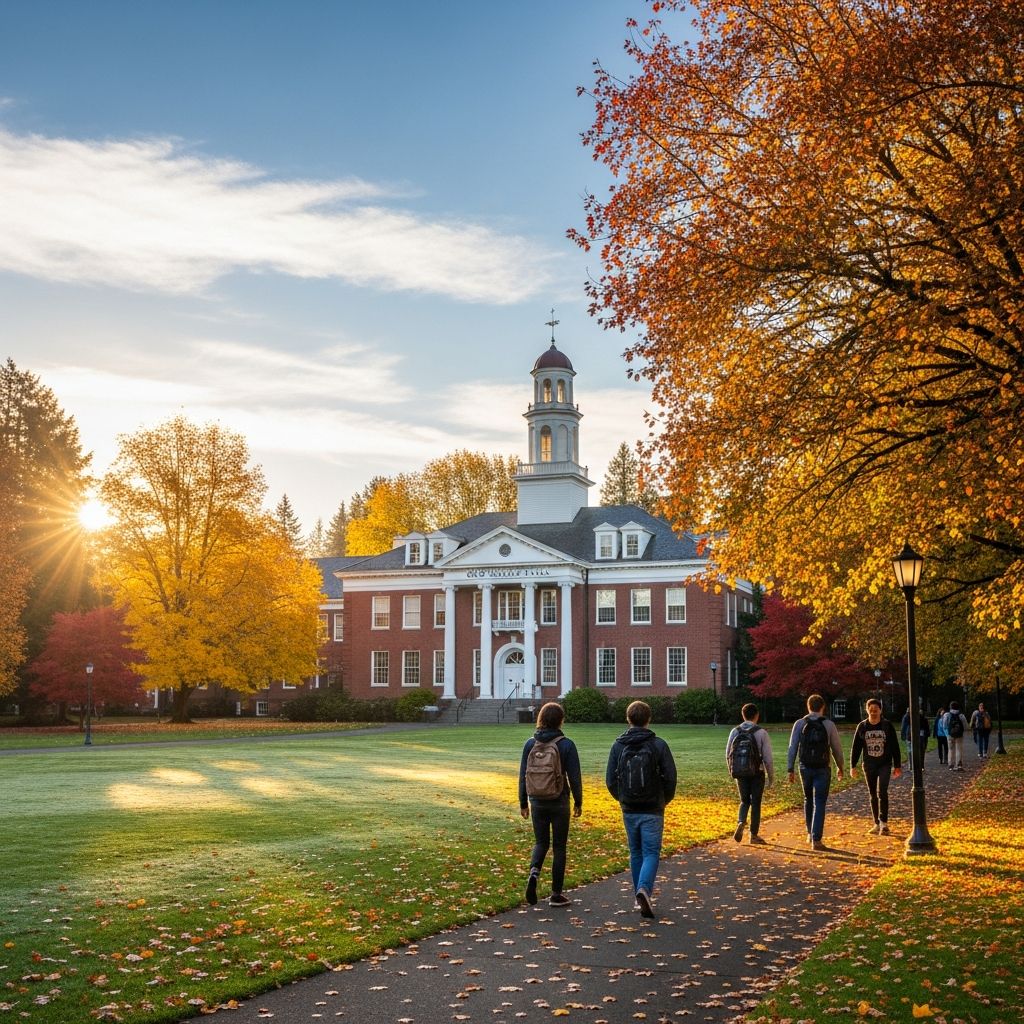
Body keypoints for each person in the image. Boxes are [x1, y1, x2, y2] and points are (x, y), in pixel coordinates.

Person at [606, 700, 677, 918]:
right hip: (653, 807)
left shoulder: (618, 746)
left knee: (636, 851)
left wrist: (623, 798)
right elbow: (671, 778)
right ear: (649, 719)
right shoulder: (658, 745)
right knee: (651, 852)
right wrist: (663, 800)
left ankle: (639, 895)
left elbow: (610, 780)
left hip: (629, 807)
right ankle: (644, 889)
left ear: (628, 719)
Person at [518, 702, 582, 908]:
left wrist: (523, 802)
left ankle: (534, 873)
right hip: (560, 800)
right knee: (559, 847)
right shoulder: (566, 744)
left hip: (537, 800)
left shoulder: (530, 744)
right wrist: (579, 802)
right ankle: (556, 894)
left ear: (541, 719)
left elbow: (523, 776)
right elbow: (574, 777)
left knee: (541, 843)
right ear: (560, 720)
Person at [787, 694, 844, 851]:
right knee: (820, 802)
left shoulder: (799, 724)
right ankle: (816, 839)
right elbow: (836, 749)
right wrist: (840, 766)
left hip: (804, 767)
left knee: (808, 799)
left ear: (808, 706)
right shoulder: (829, 724)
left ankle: (809, 833)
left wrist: (790, 769)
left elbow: (792, 747)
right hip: (823, 767)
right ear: (823, 707)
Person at [850, 698, 902, 834]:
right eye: (871, 710)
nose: (873, 713)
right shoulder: (862, 726)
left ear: (880, 710)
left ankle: (884, 823)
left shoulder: (887, 725)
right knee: (872, 794)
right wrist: (853, 766)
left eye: (876, 710)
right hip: (869, 764)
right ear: (867, 710)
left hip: (884, 763)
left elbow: (895, 746)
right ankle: (876, 823)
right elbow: (856, 747)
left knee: (882, 792)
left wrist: (897, 765)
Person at [725, 703, 774, 845]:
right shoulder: (761, 732)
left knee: (744, 801)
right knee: (756, 803)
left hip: (740, 772)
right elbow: (768, 758)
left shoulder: (735, 731)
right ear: (756, 715)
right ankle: (753, 835)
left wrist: (732, 771)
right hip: (757, 773)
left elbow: (728, 754)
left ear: (743, 715)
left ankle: (741, 821)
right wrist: (770, 778)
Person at [943, 701, 969, 771]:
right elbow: (966, 726)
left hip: (950, 735)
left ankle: (951, 765)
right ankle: (959, 765)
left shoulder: (947, 715)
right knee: (959, 749)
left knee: (951, 749)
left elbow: (944, 726)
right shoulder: (961, 715)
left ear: (950, 707)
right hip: (959, 735)